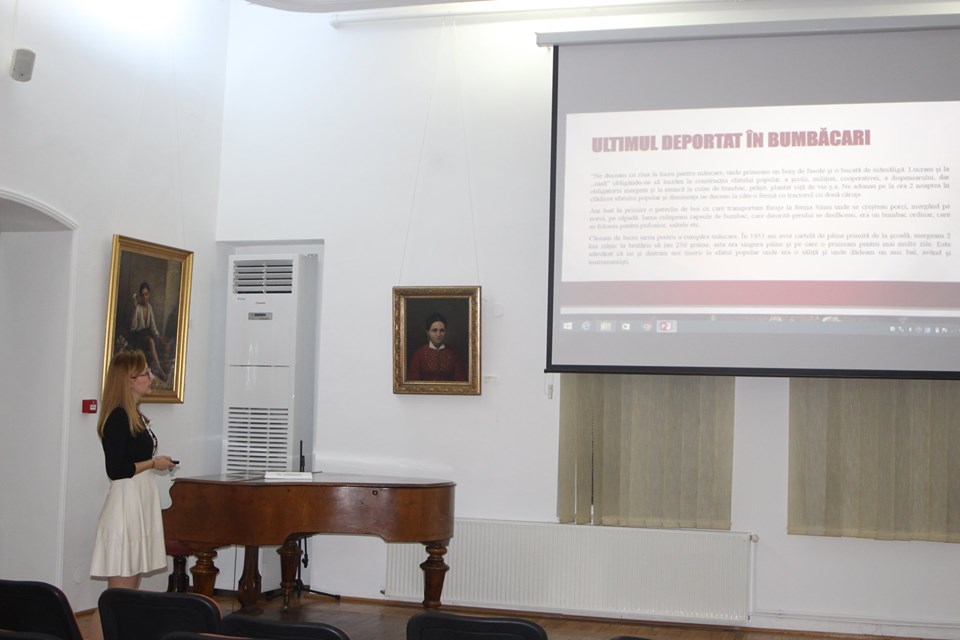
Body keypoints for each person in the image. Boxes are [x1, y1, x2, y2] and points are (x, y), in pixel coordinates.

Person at [89, 350, 177, 640]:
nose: (151, 377)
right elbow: (116, 469)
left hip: (139, 498)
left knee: (127, 592)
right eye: (145, 373)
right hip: (126, 503)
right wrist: (153, 463)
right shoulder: (117, 417)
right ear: (129, 380)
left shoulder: (134, 415)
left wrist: (155, 462)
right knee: (117, 597)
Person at [408, 312, 467, 381]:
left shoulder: (453, 354)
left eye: (442, 330)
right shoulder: (419, 354)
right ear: (428, 332)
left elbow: (461, 381)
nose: (438, 334)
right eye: (434, 330)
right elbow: (413, 381)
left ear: (445, 332)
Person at [129, 282, 168, 381]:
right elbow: (132, 327)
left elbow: (153, 326)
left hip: (146, 334)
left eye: (146, 294)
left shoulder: (149, 307)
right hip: (138, 336)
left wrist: (159, 336)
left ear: (149, 294)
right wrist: (135, 307)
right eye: (142, 295)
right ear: (140, 296)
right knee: (150, 340)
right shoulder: (138, 308)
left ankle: (156, 368)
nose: (145, 297)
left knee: (155, 340)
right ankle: (159, 370)